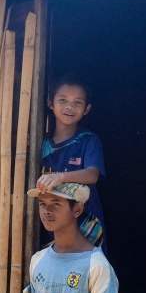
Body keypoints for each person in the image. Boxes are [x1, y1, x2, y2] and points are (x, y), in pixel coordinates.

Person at [36, 74, 107, 249]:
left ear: (87, 109)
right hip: (51, 223)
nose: (69, 107)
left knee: (88, 272)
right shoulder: (41, 143)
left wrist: (60, 177)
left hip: (86, 226)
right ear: (50, 103)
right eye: (63, 100)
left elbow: (92, 174)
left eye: (77, 102)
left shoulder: (88, 140)